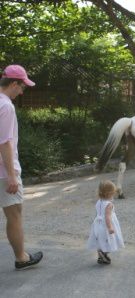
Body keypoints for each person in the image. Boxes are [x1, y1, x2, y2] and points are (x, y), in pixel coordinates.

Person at [0, 64, 43, 270]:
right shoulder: (6, 106)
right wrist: (11, 176)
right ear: (14, 83)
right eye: (22, 86)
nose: (23, 90)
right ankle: (21, 257)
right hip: (3, 171)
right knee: (14, 213)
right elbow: (4, 142)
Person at [87, 180, 124, 265]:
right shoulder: (109, 204)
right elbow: (107, 217)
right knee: (110, 241)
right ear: (109, 193)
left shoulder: (99, 201)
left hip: (98, 223)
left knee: (101, 239)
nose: (114, 194)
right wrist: (110, 227)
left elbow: (98, 213)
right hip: (106, 225)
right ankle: (104, 254)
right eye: (113, 193)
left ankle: (101, 256)